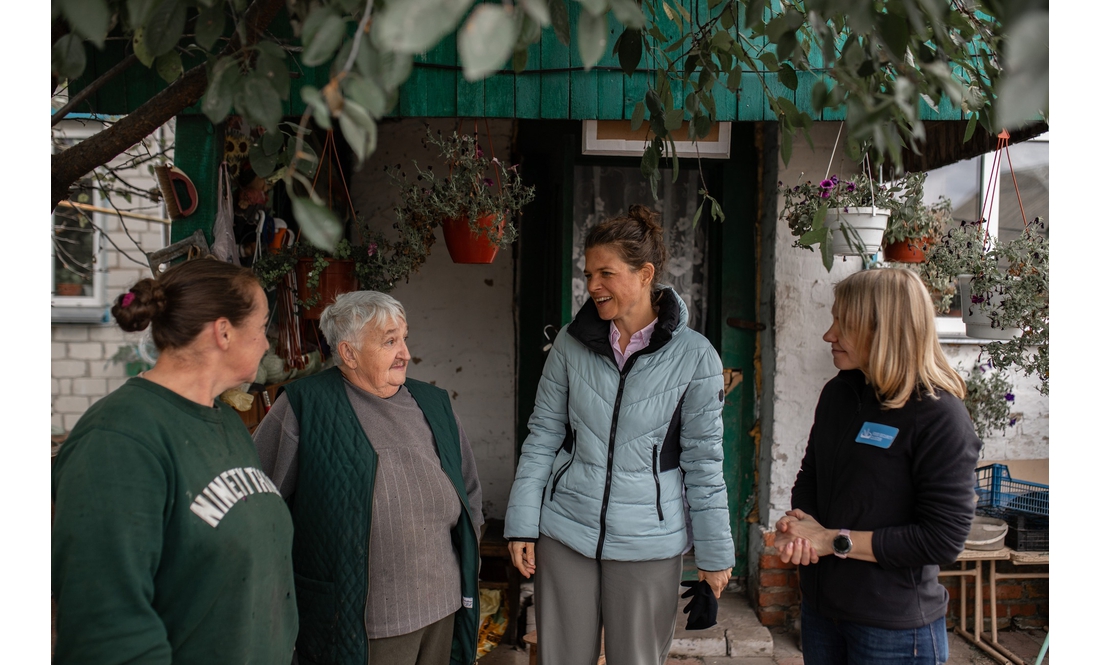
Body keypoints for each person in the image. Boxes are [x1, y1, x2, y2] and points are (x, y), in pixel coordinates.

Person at [504, 204, 735, 665]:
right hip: (566, 529)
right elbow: (543, 436)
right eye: (588, 273)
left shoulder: (695, 357)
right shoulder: (571, 343)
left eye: (605, 273)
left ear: (645, 273)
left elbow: (704, 463)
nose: (592, 286)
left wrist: (714, 552)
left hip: (649, 539)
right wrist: (522, 522)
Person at [51, 258, 297, 664]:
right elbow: (106, 625)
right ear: (223, 332)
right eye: (261, 325)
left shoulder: (227, 422)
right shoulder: (119, 439)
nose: (267, 342)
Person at [253, 290, 484, 665]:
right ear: (348, 353)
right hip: (364, 623)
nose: (405, 353)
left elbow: (468, 489)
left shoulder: (434, 403)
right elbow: (257, 503)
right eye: (390, 341)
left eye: (404, 338)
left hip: (443, 607)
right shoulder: (305, 406)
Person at [775, 268, 982, 665]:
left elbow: (942, 540)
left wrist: (832, 540)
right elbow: (811, 478)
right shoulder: (839, 393)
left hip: (894, 631)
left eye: (843, 324)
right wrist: (801, 526)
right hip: (822, 614)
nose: (828, 334)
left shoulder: (939, 416)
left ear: (884, 330)